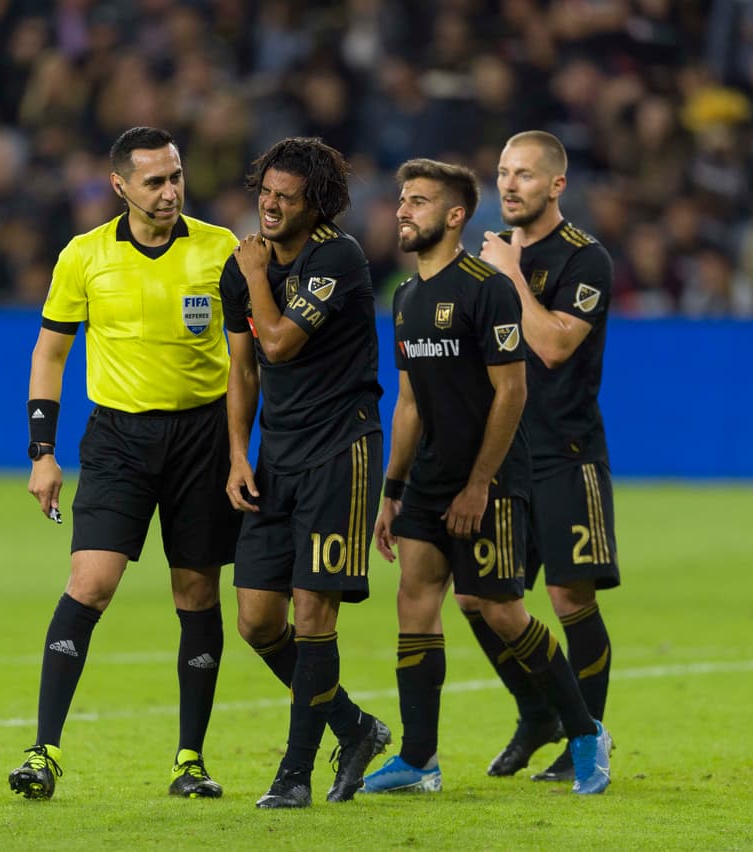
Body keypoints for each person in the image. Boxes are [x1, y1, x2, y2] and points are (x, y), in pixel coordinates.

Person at [361, 157, 611, 797]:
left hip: (492, 483)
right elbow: (410, 402)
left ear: (453, 216)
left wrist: (478, 485)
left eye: (418, 201)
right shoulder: (407, 297)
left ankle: (584, 733)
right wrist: (391, 490)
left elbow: (512, 392)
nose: (402, 210)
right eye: (402, 200)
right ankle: (420, 760)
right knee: (414, 604)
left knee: (502, 610)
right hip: (428, 483)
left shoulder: (487, 288)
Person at [8, 126, 241, 801]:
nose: (170, 192)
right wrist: (42, 453)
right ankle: (43, 751)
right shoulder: (83, 257)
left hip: (202, 437)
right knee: (91, 582)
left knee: (196, 593)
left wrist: (239, 450)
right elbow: (49, 353)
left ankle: (190, 759)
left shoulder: (221, 250)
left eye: (175, 178)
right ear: (120, 187)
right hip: (117, 438)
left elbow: (249, 357)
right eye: (154, 182)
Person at [220, 137, 391, 809]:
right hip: (276, 457)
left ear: (314, 203)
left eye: (285, 197)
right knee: (259, 622)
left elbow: (282, 343)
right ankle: (354, 729)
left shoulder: (336, 258)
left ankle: (294, 775)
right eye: (264, 191)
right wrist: (238, 451)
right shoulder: (242, 268)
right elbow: (244, 367)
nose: (269, 204)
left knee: (315, 609)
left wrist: (258, 275)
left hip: (340, 453)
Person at [472, 130, 620, 781]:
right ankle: (537, 712)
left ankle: (585, 739)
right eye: (503, 171)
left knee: (567, 597)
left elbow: (555, 346)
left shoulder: (586, 260)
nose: (509, 184)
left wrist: (510, 277)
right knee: (479, 596)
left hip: (566, 453)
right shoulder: (484, 261)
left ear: (556, 185)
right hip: (503, 458)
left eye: (525, 174)